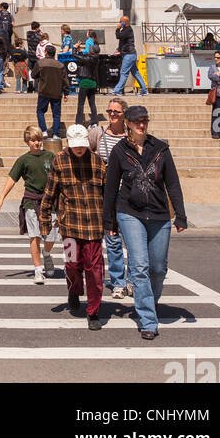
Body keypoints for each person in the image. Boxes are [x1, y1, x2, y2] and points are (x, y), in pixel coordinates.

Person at [102, 103, 187, 339]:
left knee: (158, 268)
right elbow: (110, 189)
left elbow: (173, 184)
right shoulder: (119, 151)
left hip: (159, 214)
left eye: (145, 121)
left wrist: (180, 214)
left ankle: (150, 300)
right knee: (139, 267)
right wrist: (109, 222)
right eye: (137, 121)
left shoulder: (160, 148)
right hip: (129, 212)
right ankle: (148, 320)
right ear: (128, 124)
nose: (142, 124)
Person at [38, 124, 106, 330]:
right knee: (72, 265)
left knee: (95, 271)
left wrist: (112, 221)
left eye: (82, 145)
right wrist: (45, 221)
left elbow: (109, 193)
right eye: (75, 145)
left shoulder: (97, 161)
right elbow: (49, 192)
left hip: (94, 224)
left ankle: (93, 311)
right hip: (69, 225)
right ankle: (74, 290)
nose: (79, 149)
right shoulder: (60, 160)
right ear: (68, 142)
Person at [0, 125, 59, 283]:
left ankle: (47, 254)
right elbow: (12, 179)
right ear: (27, 142)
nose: (37, 143)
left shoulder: (50, 156)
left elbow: (61, 176)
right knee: (34, 236)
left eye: (39, 140)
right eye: (33, 140)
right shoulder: (23, 160)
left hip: (49, 202)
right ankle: (38, 270)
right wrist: (1, 198)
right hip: (31, 201)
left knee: (50, 237)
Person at [86, 95, 130, 297]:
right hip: (106, 194)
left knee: (131, 240)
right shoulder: (98, 133)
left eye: (116, 112)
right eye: (110, 111)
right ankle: (118, 282)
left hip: (129, 194)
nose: (112, 114)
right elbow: (83, 154)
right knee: (112, 240)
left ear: (124, 115)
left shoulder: (131, 136)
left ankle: (132, 280)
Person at [35, 44, 69, 138]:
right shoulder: (60, 65)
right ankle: (55, 134)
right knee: (56, 114)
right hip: (56, 92)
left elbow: (34, 75)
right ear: (54, 54)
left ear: (45, 52)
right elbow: (65, 80)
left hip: (44, 91)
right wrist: (66, 92)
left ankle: (44, 130)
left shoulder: (40, 63)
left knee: (40, 111)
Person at [112, 14, 148, 96]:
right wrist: (118, 49)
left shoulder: (128, 30)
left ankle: (118, 90)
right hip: (130, 54)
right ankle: (144, 90)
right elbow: (122, 41)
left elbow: (119, 36)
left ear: (124, 23)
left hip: (129, 54)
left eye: (120, 22)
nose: (119, 23)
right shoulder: (125, 30)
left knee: (124, 72)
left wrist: (117, 29)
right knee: (135, 73)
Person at [75, 38, 100, 126]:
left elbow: (76, 56)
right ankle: (94, 122)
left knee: (81, 104)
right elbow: (83, 58)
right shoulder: (95, 59)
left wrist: (75, 48)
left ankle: (78, 122)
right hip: (93, 83)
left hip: (85, 82)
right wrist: (80, 51)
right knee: (92, 103)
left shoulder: (89, 59)